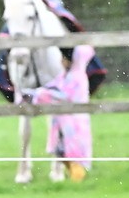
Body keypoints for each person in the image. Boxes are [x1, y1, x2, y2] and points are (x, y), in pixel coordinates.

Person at [20, 45, 95, 182]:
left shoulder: (76, 77)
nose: (61, 61)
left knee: (74, 154)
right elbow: (53, 87)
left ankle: (77, 180)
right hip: (63, 123)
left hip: (74, 125)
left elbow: (62, 95)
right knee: (63, 151)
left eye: (63, 58)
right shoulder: (65, 75)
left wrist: (38, 95)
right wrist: (33, 93)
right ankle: (73, 179)